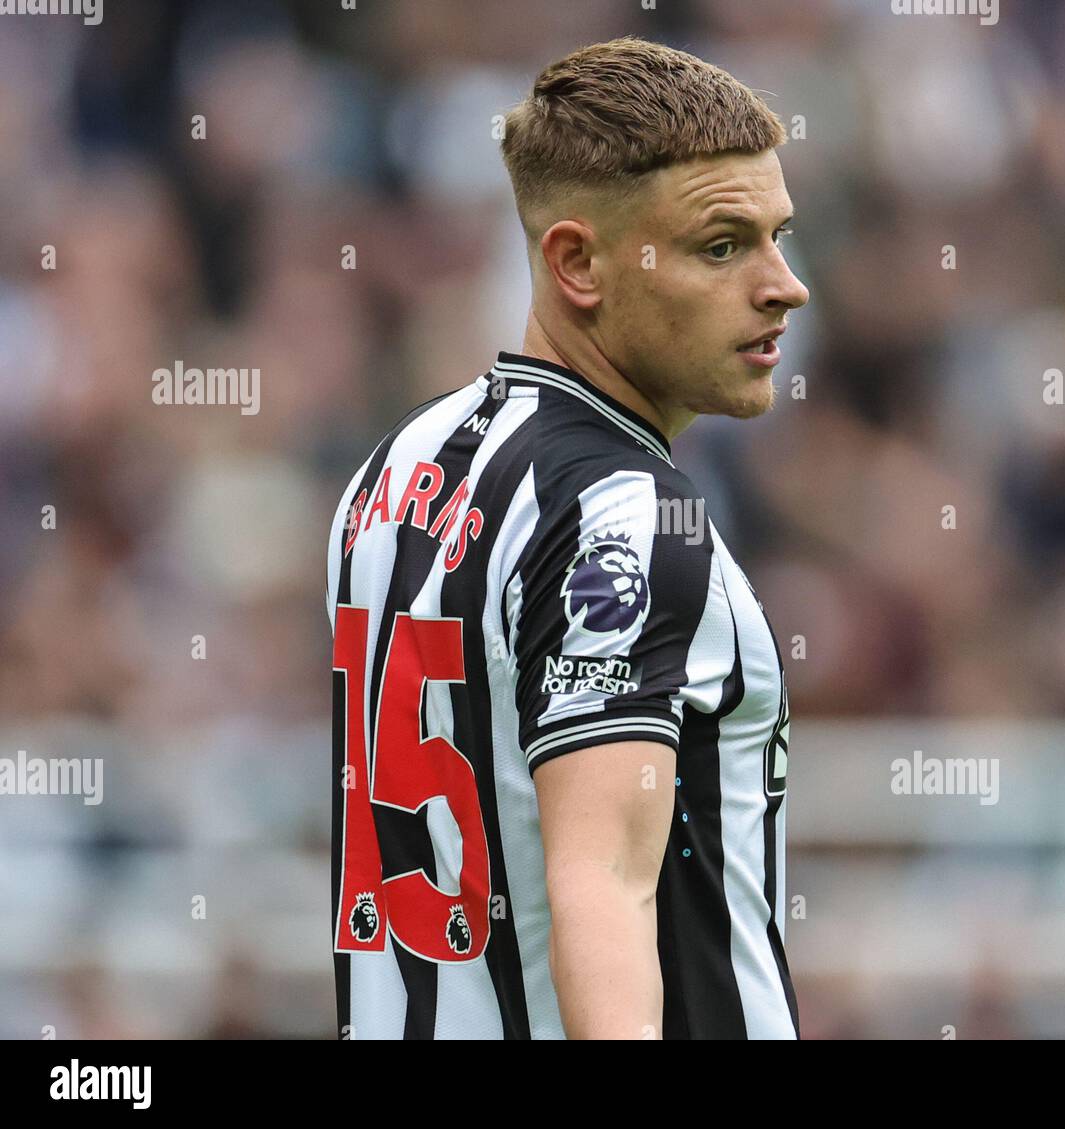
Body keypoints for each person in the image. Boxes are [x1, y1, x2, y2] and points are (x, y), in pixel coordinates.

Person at [325, 35, 809, 1039]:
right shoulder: (620, 515)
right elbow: (604, 882)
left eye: (778, 235)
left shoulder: (394, 467)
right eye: (722, 246)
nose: (782, 284)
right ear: (577, 262)